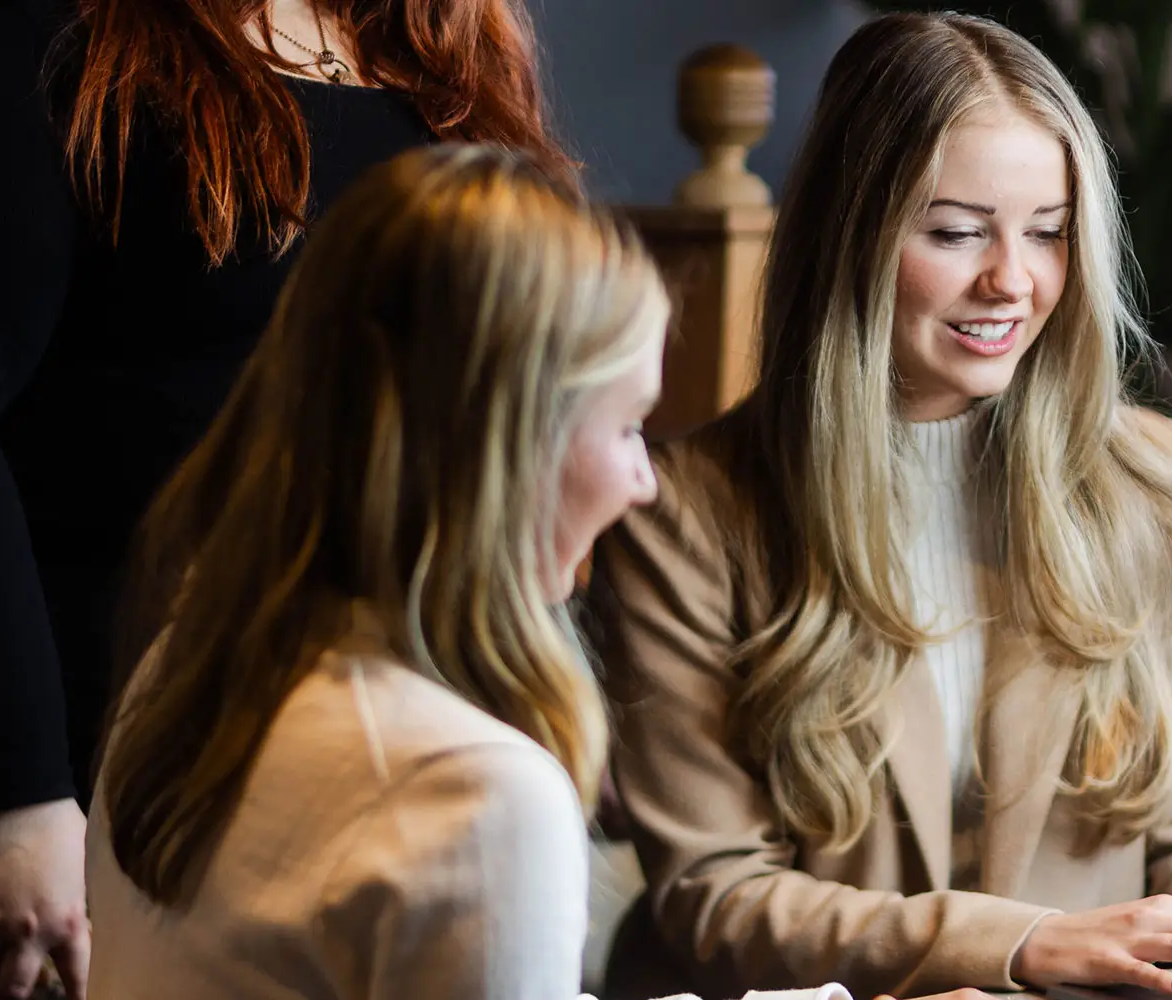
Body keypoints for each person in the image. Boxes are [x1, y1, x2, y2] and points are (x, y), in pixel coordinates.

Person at [84, 143, 980, 1000]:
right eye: (629, 426)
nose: (642, 481)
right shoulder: (478, 792)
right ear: (503, 447)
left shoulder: (191, 669)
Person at [590, 12, 1172, 1000]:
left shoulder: (1157, 477)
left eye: (1048, 232)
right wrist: (1021, 943)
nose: (1014, 278)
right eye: (957, 232)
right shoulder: (686, 518)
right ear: (851, 232)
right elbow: (718, 897)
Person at [0, 1, 565, 995]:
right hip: (134, 767)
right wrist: (9, 791)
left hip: (414, 730)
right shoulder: (61, 31)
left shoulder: (460, 44)